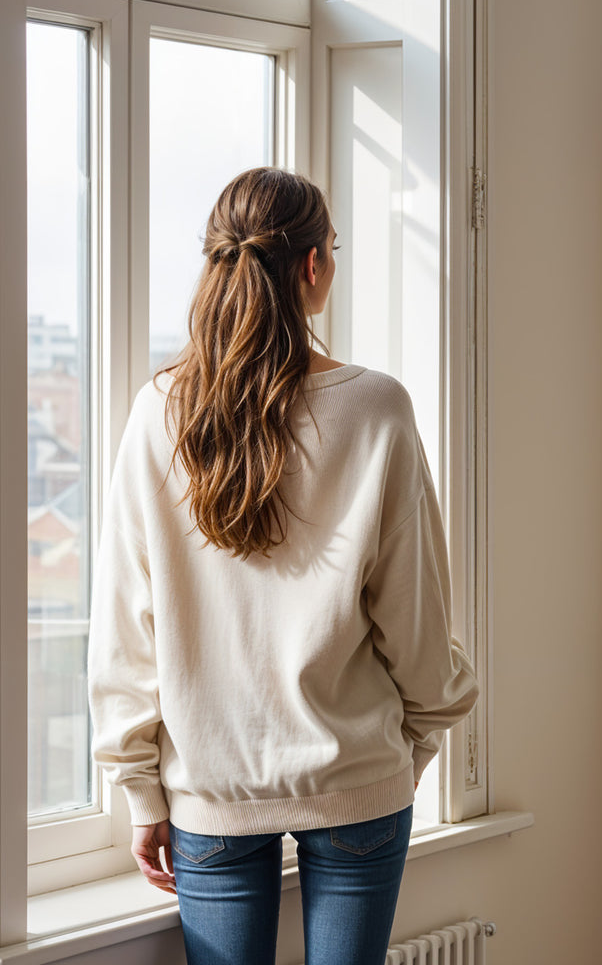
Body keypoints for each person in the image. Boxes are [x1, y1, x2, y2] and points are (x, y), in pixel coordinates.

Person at [87, 167, 479, 965]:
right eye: (332, 249)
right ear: (311, 267)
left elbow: (126, 619)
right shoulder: (375, 408)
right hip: (359, 776)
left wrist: (140, 790)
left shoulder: (158, 410)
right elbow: (416, 610)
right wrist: (422, 739)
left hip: (209, 790)